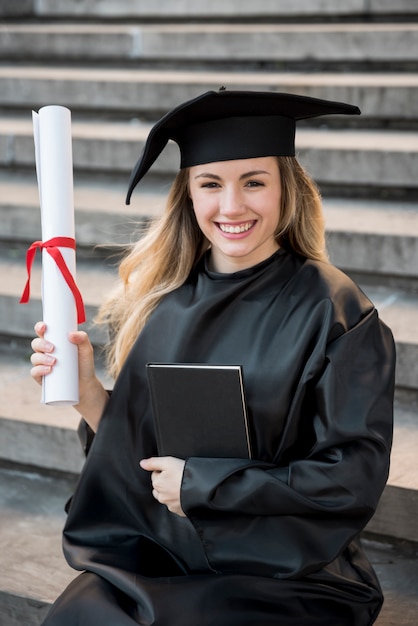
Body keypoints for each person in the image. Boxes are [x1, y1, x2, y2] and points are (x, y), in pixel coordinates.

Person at [30, 89, 395, 625]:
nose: (232, 206)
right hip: (166, 552)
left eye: (254, 181)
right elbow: (143, 458)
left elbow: (354, 475)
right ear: (189, 195)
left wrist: (206, 486)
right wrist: (89, 396)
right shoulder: (165, 304)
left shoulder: (334, 309)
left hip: (287, 570)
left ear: (285, 188)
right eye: (210, 184)